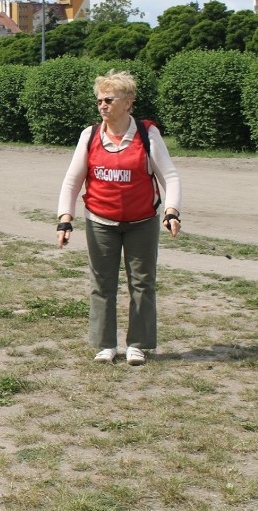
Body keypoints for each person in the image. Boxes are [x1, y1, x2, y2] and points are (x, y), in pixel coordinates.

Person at [57, 70, 182, 366]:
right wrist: (65, 219)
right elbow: (72, 182)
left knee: (142, 283)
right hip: (101, 221)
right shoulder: (90, 135)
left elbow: (171, 176)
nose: (102, 105)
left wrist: (172, 211)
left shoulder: (146, 134)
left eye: (109, 99)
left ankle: (138, 344)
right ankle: (105, 344)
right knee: (102, 284)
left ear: (128, 102)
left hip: (142, 221)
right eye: (99, 100)